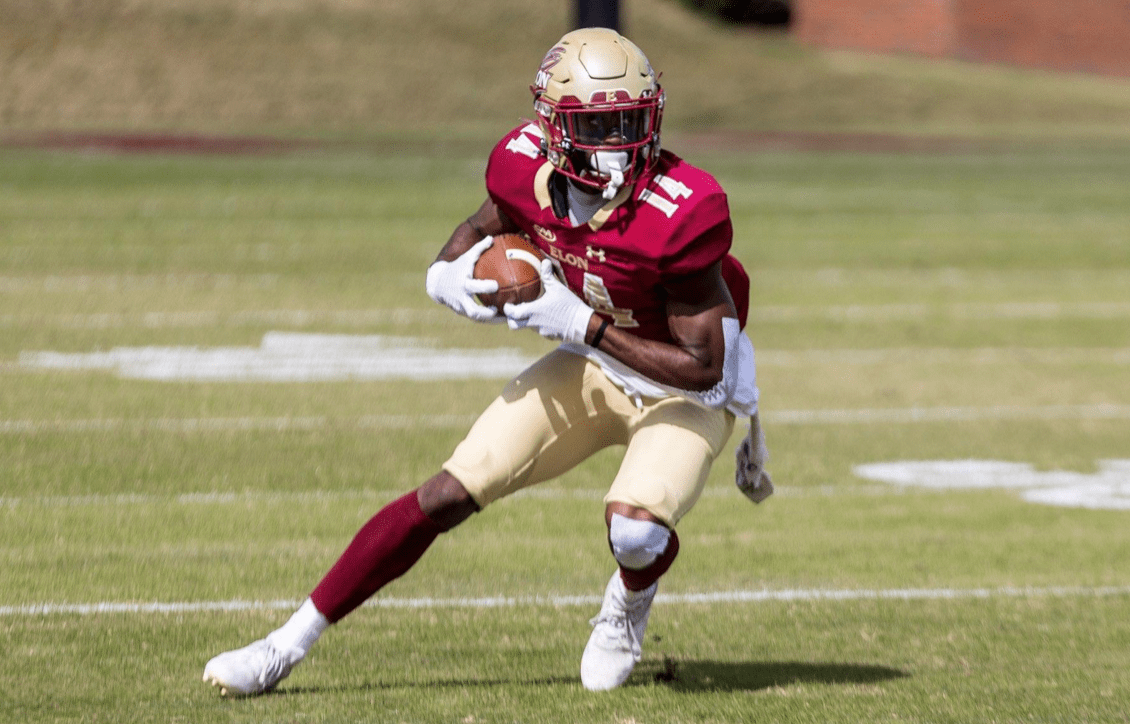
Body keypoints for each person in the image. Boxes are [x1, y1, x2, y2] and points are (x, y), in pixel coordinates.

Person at [202, 26, 773, 697]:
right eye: (597, 125)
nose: (618, 143)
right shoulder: (521, 167)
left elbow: (705, 370)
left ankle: (627, 602)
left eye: (631, 121)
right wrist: (447, 275)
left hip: (684, 391)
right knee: (448, 491)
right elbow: (481, 227)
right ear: (553, 127)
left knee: (636, 532)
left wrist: (580, 323)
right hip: (593, 367)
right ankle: (284, 644)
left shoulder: (682, 208)